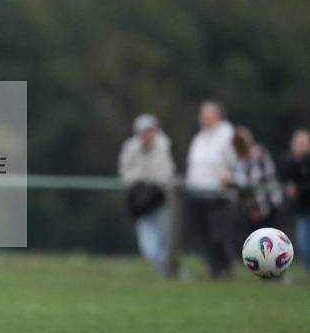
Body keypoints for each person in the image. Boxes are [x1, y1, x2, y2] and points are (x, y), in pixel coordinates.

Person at [186, 100, 237, 279]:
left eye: (209, 116)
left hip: (219, 195)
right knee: (206, 235)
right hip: (199, 194)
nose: (205, 119)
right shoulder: (200, 137)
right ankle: (213, 270)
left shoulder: (228, 134)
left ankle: (224, 269)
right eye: (203, 116)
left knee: (218, 235)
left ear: (218, 116)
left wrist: (230, 175)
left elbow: (236, 161)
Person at [118, 114, 175, 273]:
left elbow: (165, 175)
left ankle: (173, 274)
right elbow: (125, 173)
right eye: (144, 131)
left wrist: (152, 188)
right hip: (142, 205)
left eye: (151, 130)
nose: (147, 134)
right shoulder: (130, 148)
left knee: (166, 245)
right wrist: (140, 187)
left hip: (160, 203)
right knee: (149, 249)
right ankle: (172, 272)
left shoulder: (163, 146)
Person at [230, 125, 281, 232]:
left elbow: (256, 180)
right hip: (250, 213)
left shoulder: (259, 153)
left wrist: (233, 181)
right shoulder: (238, 162)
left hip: (268, 209)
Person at [282, 128, 310, 274]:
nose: (300, 146)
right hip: (302, 209)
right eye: (298, 143)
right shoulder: (290, 162)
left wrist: (297, 189)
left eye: (303, 142)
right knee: (302, 242)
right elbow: (287, 182)